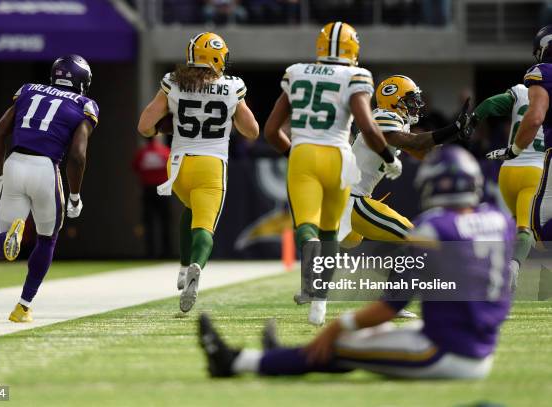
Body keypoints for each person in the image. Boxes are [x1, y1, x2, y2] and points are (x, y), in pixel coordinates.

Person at [198, 145, 515, 380]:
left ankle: (238, 362)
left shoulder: (434, 228)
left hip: (445, 352)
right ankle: (276, 353)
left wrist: (338, 325)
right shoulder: (500, 221)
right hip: (479, 344)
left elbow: (393, 303)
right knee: (370, 337)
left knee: (342, 342)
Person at [264, 22, 401, 325]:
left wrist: (295, 153)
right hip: (339, 157)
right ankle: (319, 306)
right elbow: (367, 126)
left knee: (307, 226)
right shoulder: (356, 75)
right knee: (330, 232)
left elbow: (271, 130)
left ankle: (309, 257)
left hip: (303, 153)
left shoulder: (297, 71)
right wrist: (388, 157)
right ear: (354, 49)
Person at [137, 32, 259, 313]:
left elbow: (144, 127)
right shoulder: (232, 86)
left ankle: (182, 268)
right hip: (211, 163)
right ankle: (196, 267)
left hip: (178, 164)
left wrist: (167, 124)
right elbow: (252, 131)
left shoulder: (172, 82)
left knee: (189, 209)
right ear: (216, 56)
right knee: (205, 226)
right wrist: (229, 117)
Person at [336, 75, 470, 320]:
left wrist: (455, 134)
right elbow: (413, 141)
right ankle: (393, 301)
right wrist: (450, 129)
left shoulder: (397, 123)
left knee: (396, 240)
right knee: (415, 236)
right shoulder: (381, 116)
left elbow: (422, 151)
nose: (415, 105)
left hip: (356, 199)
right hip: (352, 201)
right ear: (393, 100)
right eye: (409, 100)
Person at [0, 55, 99, 322]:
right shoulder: (85, 104)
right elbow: (77, 155)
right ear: (82, 81)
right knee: (47, 238)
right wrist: (75, 195)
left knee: (0, 247)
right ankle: (22, 307)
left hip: (14, 163)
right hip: (45, 169)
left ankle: (10, 236)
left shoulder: (28, 89)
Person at [465, 85, 543, 290]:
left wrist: (471, 122)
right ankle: (510, 268)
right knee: (527, 228)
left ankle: (489, 263)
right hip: (538, 172)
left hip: (508, 171)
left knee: (516, 224)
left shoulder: (522, 91)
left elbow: (489, 104)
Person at [487, 26, 552, 242]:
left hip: (532, 162)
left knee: (537, 230)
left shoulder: (542, 72)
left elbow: (534, 118)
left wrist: (514, 150)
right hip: (536, 165)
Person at [132, 137, 172, 258]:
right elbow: (172, 167)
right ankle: (167, 253)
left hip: (148, 190)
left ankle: (151, 253)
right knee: (166, 222)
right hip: (162, 190)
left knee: (149, 223)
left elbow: (135, 167)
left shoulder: (143, 153)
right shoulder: (165, 151)